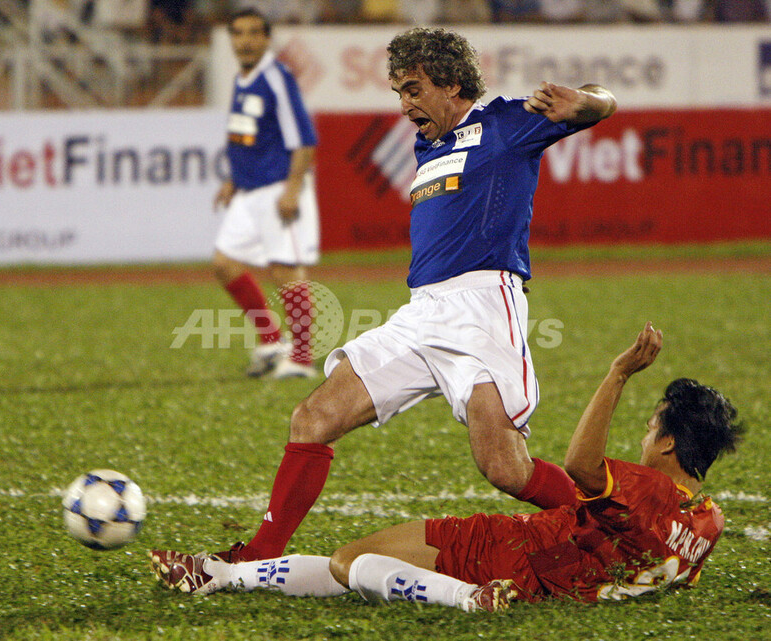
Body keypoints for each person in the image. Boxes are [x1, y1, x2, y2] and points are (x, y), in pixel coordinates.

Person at [162, 27, 618, 566]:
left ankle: (612, 533)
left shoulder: (504, 123)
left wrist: (584, 101)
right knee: (313, 416)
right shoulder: (430, 144)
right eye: (398, 92)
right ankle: (255, 558)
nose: (404, 105)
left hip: (483, 307)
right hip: (421, 312)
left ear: (451, 84)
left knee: (505, 469)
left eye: (413, 90)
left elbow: (602, 101)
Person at [150, 324, 742, 613]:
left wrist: (617, 375)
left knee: (350, 561)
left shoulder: (647, 488)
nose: (643, 438)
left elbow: (580, 465)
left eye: (651, 428)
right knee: (349, 568)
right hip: (550, 580)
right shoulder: (707, 523)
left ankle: (467, 598)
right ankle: (221, 576)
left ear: (669, 443)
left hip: (509, 553)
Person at [213, 7, 320, 379]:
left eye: (253, 33)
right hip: (249, 189)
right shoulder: (243, 78)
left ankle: (302, 359)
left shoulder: (276, 77)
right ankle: (272, 341)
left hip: (278, 186)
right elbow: (248, 136)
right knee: (224, 263)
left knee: (284, 270)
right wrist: (233, 180)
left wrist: (292, 189)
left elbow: (304, 139)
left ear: (266, 38)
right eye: (238, 33)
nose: (245, 40)